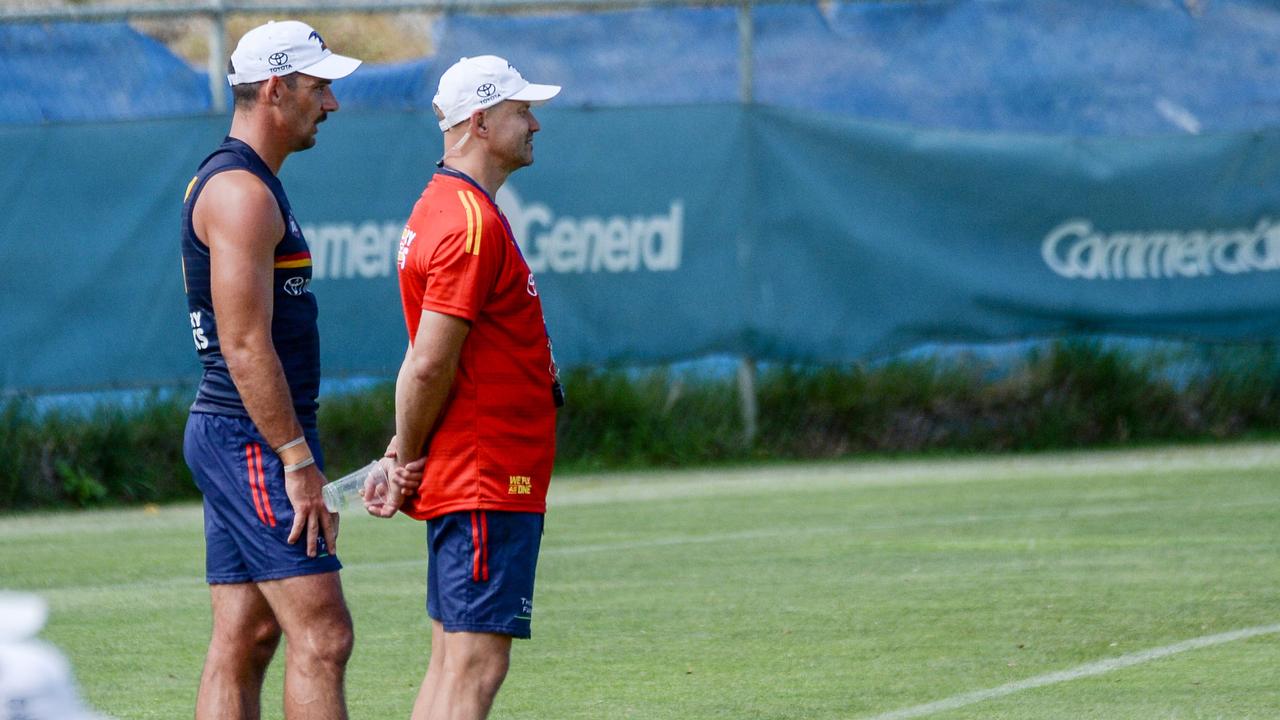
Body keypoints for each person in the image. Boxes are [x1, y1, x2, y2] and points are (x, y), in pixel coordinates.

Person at [179, 20, 362, 720]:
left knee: (247, 635)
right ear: (276, 89)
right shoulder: (241, 193)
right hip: (251, 438)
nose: (333, 104)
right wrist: (294, 457)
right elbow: (245, 345)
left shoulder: (248, 184)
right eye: (320, 88)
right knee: (323, 634)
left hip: (242, 433)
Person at [372, 55, 563, 720]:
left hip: (478, 471)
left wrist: (403, 448)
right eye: (521, 111)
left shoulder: (445, 207)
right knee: (474, 666)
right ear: (480, 122)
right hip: (486, 474)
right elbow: (427, 365)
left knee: (456, 663)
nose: (536, 123)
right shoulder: (469, 221)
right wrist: (406, 455)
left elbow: (425, 359)